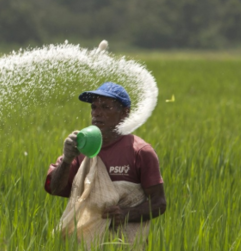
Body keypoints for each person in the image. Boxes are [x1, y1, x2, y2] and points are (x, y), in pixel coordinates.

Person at [45, 82, 166, 237]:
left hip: (127, 249)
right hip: (84, 248)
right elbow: (55, 189)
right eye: (94, 107)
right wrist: (67, 160)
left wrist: (126, 214)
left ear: (124, 113)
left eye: (105, 107)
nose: (97, 113)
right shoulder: (81, 148)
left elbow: (159, 203)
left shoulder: (140, 151)